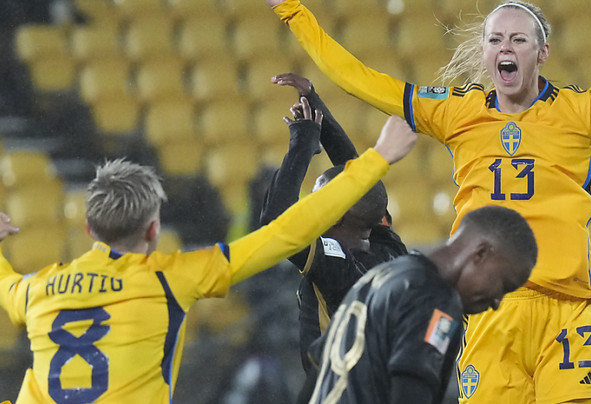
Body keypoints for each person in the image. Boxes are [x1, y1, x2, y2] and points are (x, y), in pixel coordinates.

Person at [262, 0, 591, 402]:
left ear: (543, 52)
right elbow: (363, 80)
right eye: (496, 39)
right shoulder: (458, 113)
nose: (506, 48)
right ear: (484, 52)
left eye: (518, 39)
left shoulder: (584, 112)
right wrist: (294, 13)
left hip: (567, 310)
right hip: (487, 310)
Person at [0, 99, 417, 403]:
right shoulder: (174, 277)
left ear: (89, 227)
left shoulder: (36, 289)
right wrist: (378, 158)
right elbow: (284, 232)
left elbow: (6, 284)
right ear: (154, 229)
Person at [299, 205, 538, 404]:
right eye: (503, 284)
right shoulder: (437, 300)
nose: (497, 302)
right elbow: (412, 391)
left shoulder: (383, 275)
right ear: (481, 254)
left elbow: (318, 368)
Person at [258, 73, 408, 376]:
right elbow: (360, 182)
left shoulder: (336, 266)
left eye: (320, 198)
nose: (310, 204)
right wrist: (314, 105)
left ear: (336, 215)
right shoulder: (389, 249)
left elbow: (275, 223)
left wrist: (302, 144)